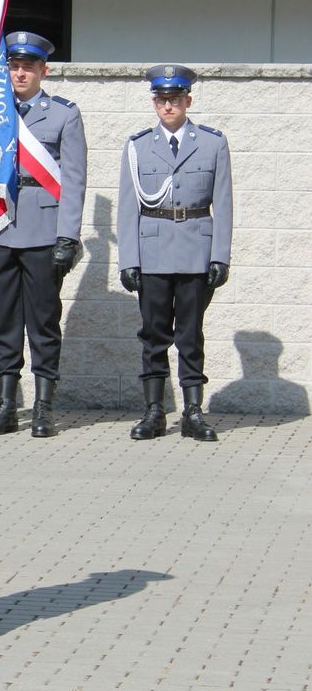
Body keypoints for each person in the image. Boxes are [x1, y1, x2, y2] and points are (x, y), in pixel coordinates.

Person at [117, 64, 232, 442]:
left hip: (196, 250)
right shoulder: (136, 146)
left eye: (175, 99)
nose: (168, 106)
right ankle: (153, 411)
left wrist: (220, 256)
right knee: (153, 335)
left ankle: (193, 412)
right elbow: (128, 207)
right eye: (161, 99)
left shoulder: (213, 143)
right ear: (155, 102)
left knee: (190, 334)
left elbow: (224, 203)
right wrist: (129, 260)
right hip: (152, 252)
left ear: (188, 100)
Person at [0, 31, 87, 438]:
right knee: (5, 323)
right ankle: (7, 404)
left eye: (28, 67)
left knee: (43, 322)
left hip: (44, 231)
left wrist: (68, 236)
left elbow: (74, 180)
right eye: (14, 65)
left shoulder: (64, 114)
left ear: (44, 70)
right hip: (1, 228)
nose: (20, 73)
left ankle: (44, 406)